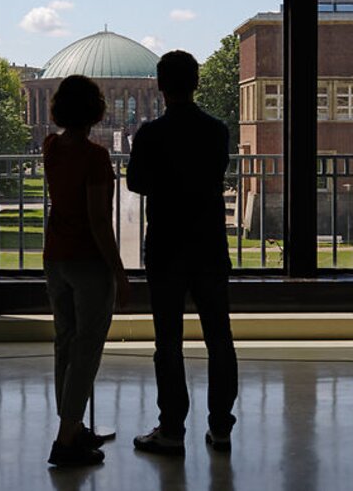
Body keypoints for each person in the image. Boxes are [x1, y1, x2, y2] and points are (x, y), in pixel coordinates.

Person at [127, 50, 238, 456]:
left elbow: (136, 183)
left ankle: (172, 428)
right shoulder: (216, 130)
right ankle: (221, 428)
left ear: (160, 85)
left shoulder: (150, 133)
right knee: (219, 339)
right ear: (196, 83)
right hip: (208, 243)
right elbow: (215, 174)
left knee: (168, 341)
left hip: (167, 245)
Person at [43, 75, 130, 467]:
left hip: (56, 259)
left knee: (66, 342)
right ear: (95, 111)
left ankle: (73, 427)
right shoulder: (95, 157)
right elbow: (98, 221)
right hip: (87, 262)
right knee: (87, 349)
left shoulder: (50, 146)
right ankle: (66, 440)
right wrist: (120, 271)